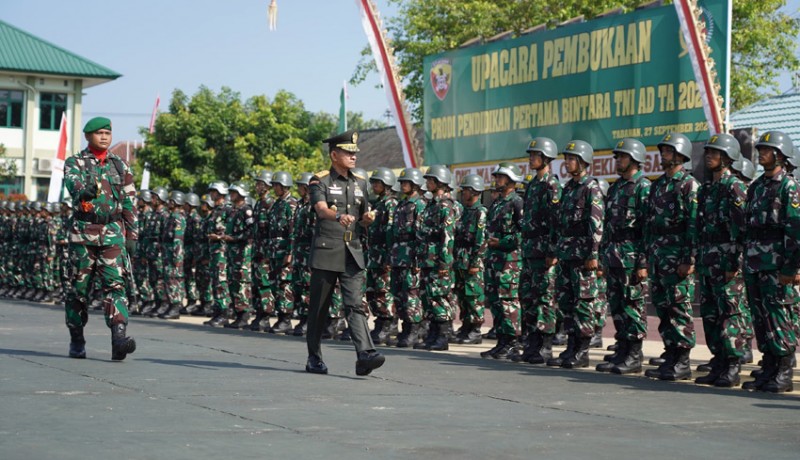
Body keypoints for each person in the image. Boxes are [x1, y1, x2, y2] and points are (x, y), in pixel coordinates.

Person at [305, 130, 384, 375]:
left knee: (355, 305)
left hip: (353, 251)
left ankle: (365, 354)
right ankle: (314, 357)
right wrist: (338, 215)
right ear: (334, 154)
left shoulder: (360, 182)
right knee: (319, 308)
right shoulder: (320, 181)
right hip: (327, 251)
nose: (353, 157)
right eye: (348, 153)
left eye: (354, 153)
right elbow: (320, 210)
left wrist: (368, 219)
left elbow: (363, 216)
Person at [63, 117, 138, 361]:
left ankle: (119, 337)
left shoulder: (120, 166)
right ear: (88, 136)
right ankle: (77, 337)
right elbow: (72, 185)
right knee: (78, 290)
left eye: (108, 132)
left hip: (113, 233)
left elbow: (129, 202)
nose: (104, 136)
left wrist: (132, 235)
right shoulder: (76, 162)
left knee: (116, 286)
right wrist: (83, 190)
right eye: (99, 133)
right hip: (84, 232)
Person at [742, 131, 800, 393]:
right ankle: (769, 365)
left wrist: (792, 267)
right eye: (760, 149)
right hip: (755, 262)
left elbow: (795, 231)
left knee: (779, 316)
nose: (760, 153)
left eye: (766, 149)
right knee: (760, 317)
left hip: (777, 264)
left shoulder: (789, 187)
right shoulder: (756, 186)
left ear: (780, 154)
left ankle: (784, 369)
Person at [643, 132, 699, 381]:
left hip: (677, 256)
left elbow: (693, 224)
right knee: (663, 307)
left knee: (678, 308)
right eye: (663, 150)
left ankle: (682, 359)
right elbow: (648, 224)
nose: (662, 154)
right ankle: (670, 353)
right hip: (658, 255)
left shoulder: (688, 184)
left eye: (667, 151)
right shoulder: (657, 185)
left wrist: (688, 259)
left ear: (679, 155)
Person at [595, 139, 651, 375]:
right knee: (617, 305)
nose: (617, 160)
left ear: (634, 159)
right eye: (617, 157)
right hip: (614, 255)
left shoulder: (643, 187)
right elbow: (607, 225)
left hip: (632, 256)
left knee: (633, 305)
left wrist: (642, 262)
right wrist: (603, 256)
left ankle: (634, 354)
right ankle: (622, 349)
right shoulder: (616, 187)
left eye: (622, 156)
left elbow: (647, 228)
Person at [546, 141, 604, 369]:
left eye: (571, 158)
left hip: (583, 256)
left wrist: (593, 253)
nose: (566, 162)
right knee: (567, 302)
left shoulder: (591, 188)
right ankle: (571, 346)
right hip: (567, 254)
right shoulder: (569, 188)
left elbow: (596, 223)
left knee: (583, 303)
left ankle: (582, 350)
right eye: (566, 157)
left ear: (582, 161)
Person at [515, 137, 562, 364]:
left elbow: (555, 221)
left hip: (544, 251)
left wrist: (552, 252)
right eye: (531, 154)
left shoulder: (552, 185)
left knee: (544, 298)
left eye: (535, 155)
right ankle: (532, 343)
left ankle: (544, 346)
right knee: (529, 298)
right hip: (530, 250)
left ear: (546, 158)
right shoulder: (533, 184)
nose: (531, 158)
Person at [480, 162, 525, 360]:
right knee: (496, 302)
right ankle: (501, 341)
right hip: (494, 259)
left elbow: (523, 234)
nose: (497, 179)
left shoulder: (517, 202)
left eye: (501, 176)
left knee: (508, 301)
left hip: (510, 260)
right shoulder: (498, 203)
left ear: (511, 180)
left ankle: (513, 342)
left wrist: (503, 242)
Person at [415, 165, 458, 351]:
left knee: (439, 297)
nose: (427, 182)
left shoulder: (446, 206)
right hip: (427, 258)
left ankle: (442, 335)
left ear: (440, 182)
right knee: (428, 297)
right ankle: (432, 333)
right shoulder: (432, 205)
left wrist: (444, 263)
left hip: (438, 260)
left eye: (430, 180)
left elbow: (447, 237)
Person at [453, 174, 488, 345]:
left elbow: (481, 240)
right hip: (461, 260)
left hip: (472, 261)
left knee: (474, 296)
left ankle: (475, 329)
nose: (463, 193)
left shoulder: (480, 213)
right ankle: (466, 325)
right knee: (463, 295)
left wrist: (475, 262)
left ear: (475, 191)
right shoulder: (465, 212)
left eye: (466, 190)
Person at [366, 167, 399, 345]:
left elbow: (390, 233)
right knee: (372, 291)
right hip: (374, 254)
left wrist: (388, 257)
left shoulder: (391, 204)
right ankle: (380, 321)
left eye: (377, 183)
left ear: (386, 185)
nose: (374, 185)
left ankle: (387, 323)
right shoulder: (378, 203)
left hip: (384, 255)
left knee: (383, 291)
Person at [223, 182, 255, 329]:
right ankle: (237, 313)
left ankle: (244, 315)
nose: (231, 195)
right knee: (233, 282)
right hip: (232, 253)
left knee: (242, 283)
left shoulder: (246, 210)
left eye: (233, 192)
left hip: (242, 253)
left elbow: (251, 231)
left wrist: (235, 238)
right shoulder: (232, 211)